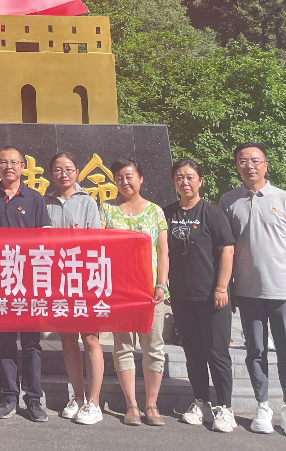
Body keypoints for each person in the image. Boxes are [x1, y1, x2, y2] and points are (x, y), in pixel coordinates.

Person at [219, 142, 286, 439]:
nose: (249, 166)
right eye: (243, 161)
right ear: (237, 166)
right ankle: (263, 406)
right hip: (247, 291)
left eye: (255, 160)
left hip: (282, 290)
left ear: (266, 165)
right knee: (255, 351)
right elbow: (225, 248)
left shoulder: (285, 199)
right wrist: (228, 286)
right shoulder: (229, 201)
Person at [165, 158, 235, 433]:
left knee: (217, 352)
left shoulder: (212, 214)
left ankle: (225, 407)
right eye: (179, 178)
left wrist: (221, 288)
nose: (185, 182)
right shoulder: (168, 213)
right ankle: (201, 401)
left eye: (190, 177)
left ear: (200, 181)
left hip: (212, 296)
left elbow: (227, 249)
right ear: (174, 182)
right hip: (182, 297)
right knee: (193, 353)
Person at [103, 158, 169, 427]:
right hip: (120, 290)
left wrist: (161, 284)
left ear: (141, 179)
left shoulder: (155, 211)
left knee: (153, 347)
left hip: (149, 291)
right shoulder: (107, 210)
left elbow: (163, 252)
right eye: (119, 177)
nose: (124, 182)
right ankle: (131, 404)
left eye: (129, 176)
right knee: (123, 347)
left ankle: (151, 405)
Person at [0, 146, 50, 422]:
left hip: (30, 281)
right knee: (6, 341)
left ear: (23, 166)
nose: (9, 166)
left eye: (14, 162)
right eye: (4, 162)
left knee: (32, 343)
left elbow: (46, 241)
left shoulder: (35, 198)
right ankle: (9, 396)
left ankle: (34, 399)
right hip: (0, 280)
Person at [43, 151, 106, 425]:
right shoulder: (44, 202)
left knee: (90, 339)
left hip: (85, 279)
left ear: (77, 172)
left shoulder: (88, 202)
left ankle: (94, 402)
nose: (63, 174)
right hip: (57, 280)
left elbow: (96, 242)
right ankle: (78, 397)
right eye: (58, 169)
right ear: (51, 173)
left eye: (68, 169)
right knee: (67, 339)